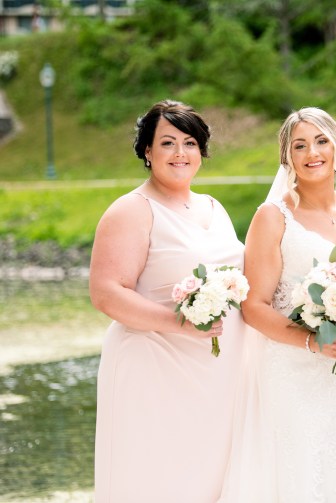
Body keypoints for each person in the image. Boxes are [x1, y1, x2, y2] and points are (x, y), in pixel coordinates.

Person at [90, 100, 247, 502]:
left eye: (190, 143)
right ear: (147, 151)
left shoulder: (215, 208)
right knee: (152, 476)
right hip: (152, 367)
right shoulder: (131, 210)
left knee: (206, 478)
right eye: (168, 143)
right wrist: (179, 322)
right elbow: (106, 292)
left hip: (214, 375)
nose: (180, 153)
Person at [229, 107, 336, 501]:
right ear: (288, 158)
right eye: (300, 145)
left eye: (321, 141)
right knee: (304, 475)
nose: (312, 152)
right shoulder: (273, 217)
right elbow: (255, 306)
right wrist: (313, 341)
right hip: (295, 372)